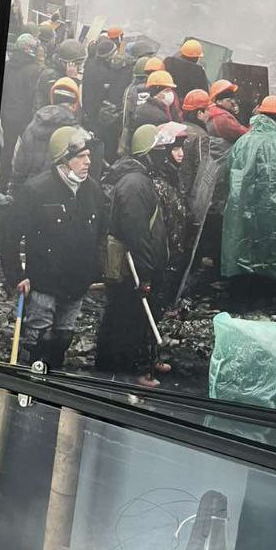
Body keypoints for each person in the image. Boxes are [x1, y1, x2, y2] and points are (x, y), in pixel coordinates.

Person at [0, 125, 105, 370]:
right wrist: (17, 275)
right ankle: (28, 381)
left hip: (76, 284)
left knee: (63, 337)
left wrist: (93, 271)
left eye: (88, 155)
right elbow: (8, 235)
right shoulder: (36, 190)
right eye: (80, 156)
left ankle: (53, 377)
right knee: (37, 338)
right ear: (62, 160)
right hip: (43, 283)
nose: (88, 161)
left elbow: (100, 234)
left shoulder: (94, 191)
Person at [95, 124, 169, 388]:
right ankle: (126, 372)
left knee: (126, 315)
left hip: (135, 265)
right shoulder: (135, 184)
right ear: (147, 152)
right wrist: (145, 270)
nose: (165, 155)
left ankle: (121, 366)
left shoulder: (138, 179)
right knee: (128, 317)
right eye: (160, 150)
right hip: (132, 268)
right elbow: (136, 231)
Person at [221, 95, 276, 303]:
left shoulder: (242, 142)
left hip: (242, 208)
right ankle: (272, 295)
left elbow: (228, 174)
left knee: (246, 248)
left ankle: (245, 296)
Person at [150, 121, 193, 311]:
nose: (180, 153)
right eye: (175, 149)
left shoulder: (174, 175)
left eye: (181, 148)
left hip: (175, 242)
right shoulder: (159, 181)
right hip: (165, 247)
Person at [10, 77, 81, 189]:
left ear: (53, 99)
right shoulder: (74, 132)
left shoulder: (32, 125)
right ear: (74, 105)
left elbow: (19, 164)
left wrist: (15, 188)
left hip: (30, 188)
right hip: (56, 190)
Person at [0, 33, 44, 184]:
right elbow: (34, 97)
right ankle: (21, 184)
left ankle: (2, 184)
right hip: (26, 118)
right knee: (28, 152)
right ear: (28, 49)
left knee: (8, 150)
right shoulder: (35, 70)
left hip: (8, 116)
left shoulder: (7, 66)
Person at [81, 34, 130, 161]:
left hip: (89, 111)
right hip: (98, 115)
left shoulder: (90, 63)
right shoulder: (104, 73)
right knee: (104, 145)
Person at [33, 37, 86, 114]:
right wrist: (71, 80)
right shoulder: (51, 77)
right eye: (77, 64)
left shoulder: (60, 73)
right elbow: (66, 104)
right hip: (49, 117)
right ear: (65, 63)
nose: (79, 68)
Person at [206, 79, 247, 144]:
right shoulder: (222, 118)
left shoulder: (214, 113)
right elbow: (245, 135)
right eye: (229, 100)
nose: (233, 102)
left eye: (233, 99)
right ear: (219, 102)